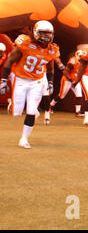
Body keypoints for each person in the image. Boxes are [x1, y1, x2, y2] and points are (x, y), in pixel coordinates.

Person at [0, 21, 60, 149]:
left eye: (48, 33)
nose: (46, 36)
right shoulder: (25, 43)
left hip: (37, 82)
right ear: (36, 32)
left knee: (32, 111)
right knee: (16, 112)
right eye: (43, 33)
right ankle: (15, 105)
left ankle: (24, 139)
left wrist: (50, 82)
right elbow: (10, 61)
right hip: (21, 79)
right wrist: (4, 80)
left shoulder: (52, 49)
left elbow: (50, 68)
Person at [49, 50, 84, 117]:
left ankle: (78, 112)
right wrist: (70, 79)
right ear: (77, 55)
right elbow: (65, 71)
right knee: (61, 96)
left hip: (75, 81)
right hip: (67, 80)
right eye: (81, 56)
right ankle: (51, 105)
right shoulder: (73, 61)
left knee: (79, 96)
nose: (82, 58)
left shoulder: (82, 62)